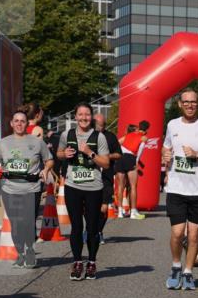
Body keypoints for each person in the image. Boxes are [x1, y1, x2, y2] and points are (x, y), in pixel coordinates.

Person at [160, 88, 198, 291]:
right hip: (177, 188)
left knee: (194, 235)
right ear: (180, 104)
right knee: (178, 233)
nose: (189, 105)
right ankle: (176, 266)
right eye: (186, 102)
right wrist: (165, 156)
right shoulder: (172, 125)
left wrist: (197, 155)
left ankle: (187, 272)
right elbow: (166, 146)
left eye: (193, 102)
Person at [0, 111, 54, 268]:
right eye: (16, 121)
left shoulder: (37, 142)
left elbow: (49, 159)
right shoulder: (3, 143)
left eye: (22, 121)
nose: (19, 123)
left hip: (32, 187)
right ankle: (20, 253)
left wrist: (46, 170)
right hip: (10, 188)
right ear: (11, 123)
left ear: (27, 124)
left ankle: (30, 250)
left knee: (28, 221)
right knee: (16, 223)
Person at [56, 103, 111, 280]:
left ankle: (92, 262)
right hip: (73, 186)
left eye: (87, 114)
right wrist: (65, 154)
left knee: (93, 228)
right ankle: (78, 262)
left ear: (92, 116)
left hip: (94, 188)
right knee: (76, 227)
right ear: (75, 116)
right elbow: (58, 153)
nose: (84, 118)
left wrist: (90, 153)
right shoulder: (67, 134)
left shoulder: (99, 137)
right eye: (80, 114)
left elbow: (106, 163)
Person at [93, 113, 122, 243]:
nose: (101, 126)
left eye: (103, 124)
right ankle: (89, 230)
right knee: (90, 207)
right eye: (99, 124)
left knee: (103, 207)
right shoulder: (88, 135)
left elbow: (119, 154)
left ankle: (98, 231)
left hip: (106, 176)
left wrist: (106, 156)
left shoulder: (110, 137)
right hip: (90, 176)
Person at [116, 120, 147, 219]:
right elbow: (140, 150)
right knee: (133, 186)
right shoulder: (143, 137)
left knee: (120, 186)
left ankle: (120, 212)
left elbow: (117, 143)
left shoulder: (126, 136)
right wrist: (136, 161)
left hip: (120, 158)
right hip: (131, 158)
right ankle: (133, 212)